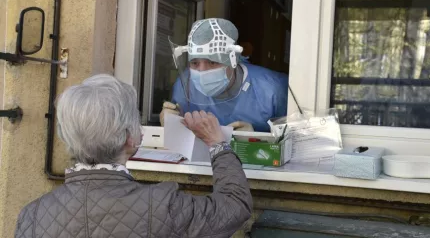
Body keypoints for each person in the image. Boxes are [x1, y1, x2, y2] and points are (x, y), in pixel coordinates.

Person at [15, 74, 252, 238]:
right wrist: (217, 144)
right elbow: (234, 207)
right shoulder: (162, 206)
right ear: (130, 137)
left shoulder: (32, 216)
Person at [160, 18, 288, 132]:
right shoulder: (185, 85)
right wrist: (170, 121)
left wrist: (258, 139)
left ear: (233, 61)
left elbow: (292, 141)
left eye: (212, 62)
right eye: (194, 63)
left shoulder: (272, 89)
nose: (202, 71)